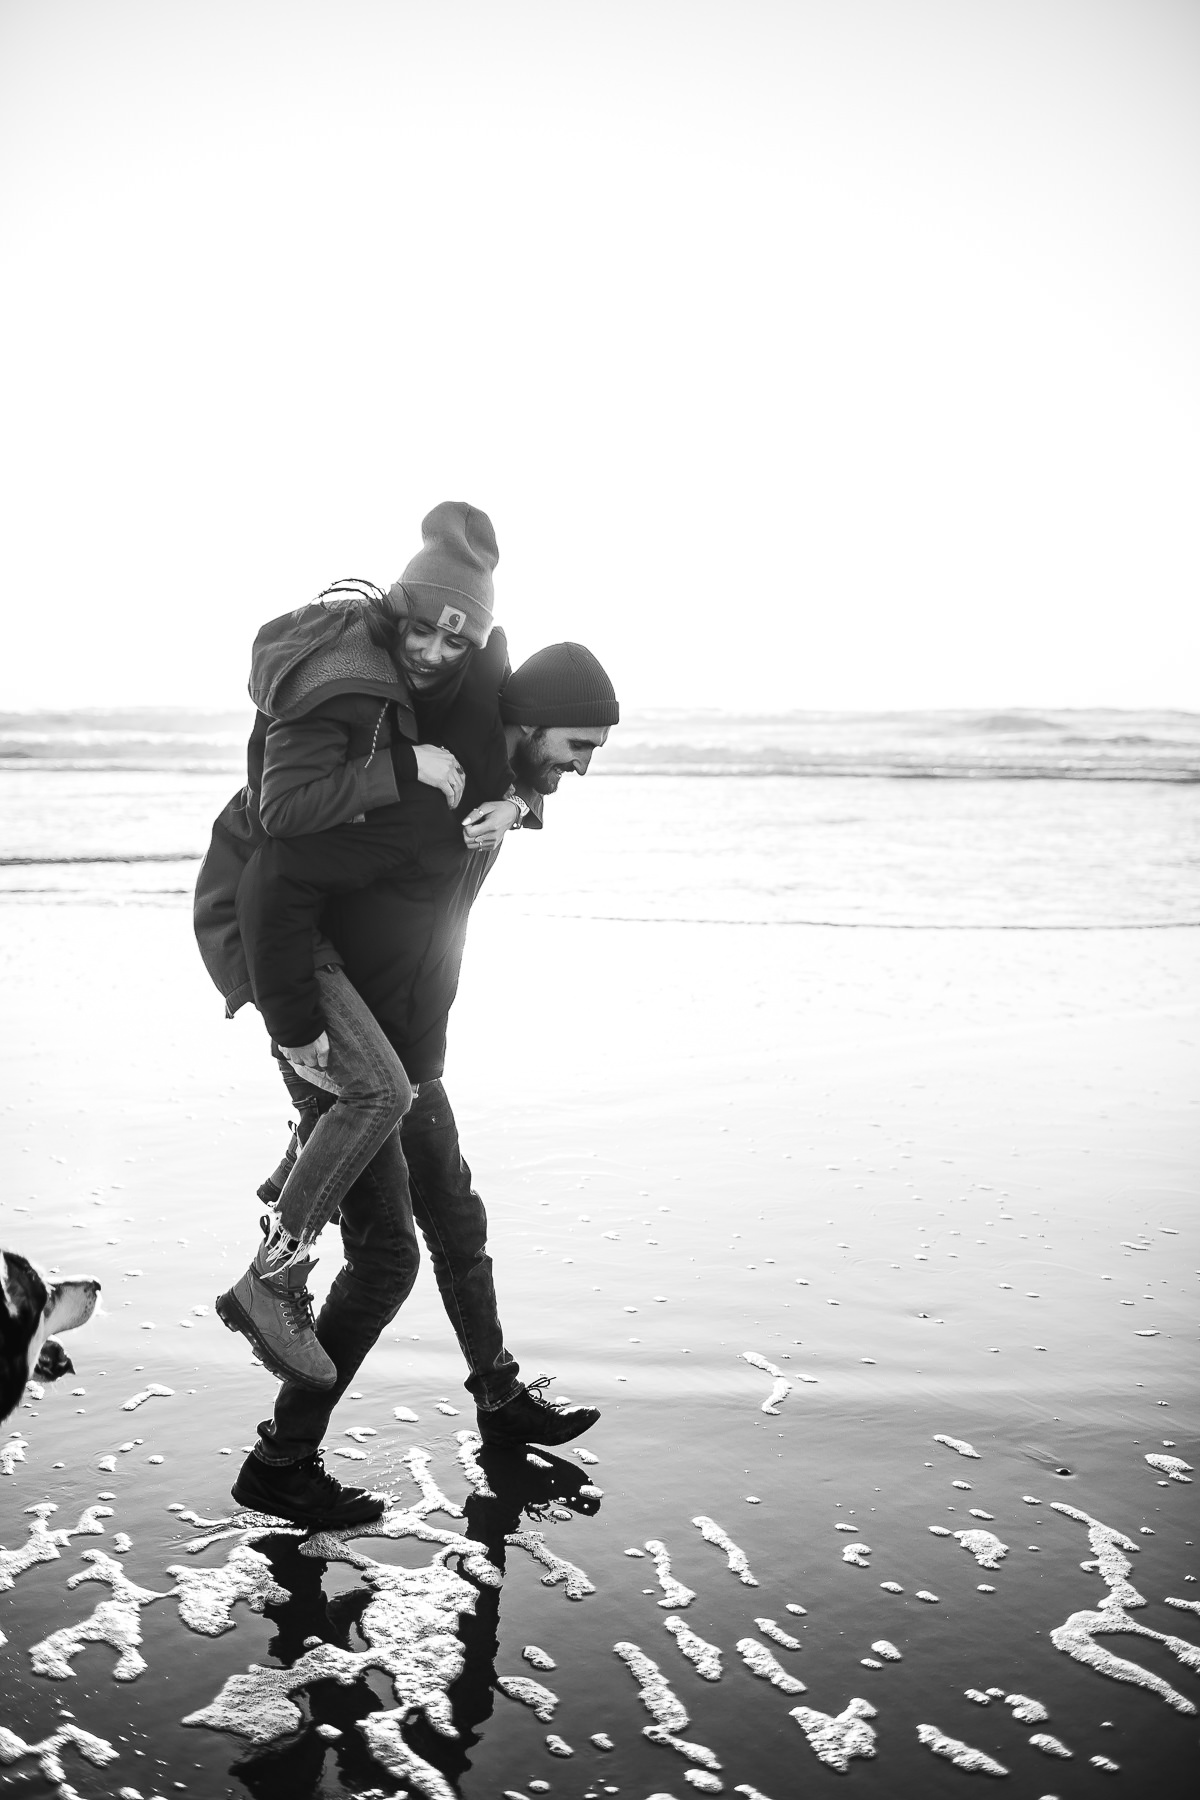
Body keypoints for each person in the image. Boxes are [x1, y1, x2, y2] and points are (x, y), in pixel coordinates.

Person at [197, 594, 619, 1525]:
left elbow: (445, 903)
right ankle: (282, 1459)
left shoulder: (494, 791)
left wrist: (520, 802)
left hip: (406, 1042)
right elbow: (285, 881)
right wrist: (304, 1043)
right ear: (526, 724)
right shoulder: (431, 795)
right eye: (577, 746)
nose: (583, 769)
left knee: (456, 1219)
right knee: (386, 1261)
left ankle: (500, 1400)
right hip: (338, 1038)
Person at [213, 504, 528, 1389]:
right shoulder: (344, 678)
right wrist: (403, 771)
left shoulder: (432, 685)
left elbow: (521, 712)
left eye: (454, 642)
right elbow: (281, 822)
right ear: (398, 610)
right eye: (421, 629)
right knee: (380, 1095)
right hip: (278, 921)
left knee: (380, 1130)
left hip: (314, 928)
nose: (433, 652)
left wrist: (522, 803)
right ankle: (271, 1278)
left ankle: (294, 1181)